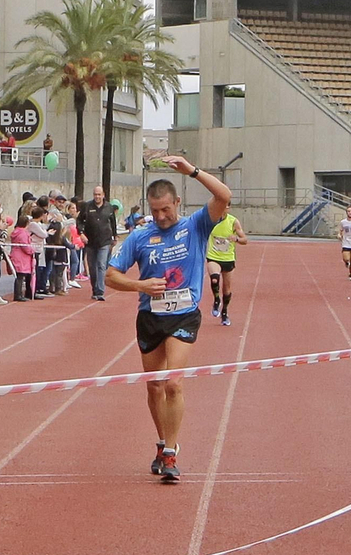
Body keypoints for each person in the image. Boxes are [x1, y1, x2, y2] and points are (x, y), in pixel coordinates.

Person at [105, 156, 233, 484]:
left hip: (184, 315)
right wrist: (139, 285)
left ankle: (173, 452)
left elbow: (224, 196)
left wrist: (192, 170)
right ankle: (162, 443)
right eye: (155, 211)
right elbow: (110, 276)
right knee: (154, 387)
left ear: (177, 202)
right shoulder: (139, 237)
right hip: (150, 316)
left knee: (174, 382)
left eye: (166, 209)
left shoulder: (195, 226)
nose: (161, 217)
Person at [206, 211, 249, 327]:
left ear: (228, 207)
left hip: (228, 259)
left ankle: (224, 312)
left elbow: (245, 239)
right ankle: (216, 300)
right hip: (213, 256)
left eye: (225, 206)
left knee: (227, 289)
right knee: (214, 279)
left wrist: (236, 239)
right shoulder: (211, 220)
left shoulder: (233, 222)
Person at [78, 186, 117, 301]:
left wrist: (114, 236)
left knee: (101, 265)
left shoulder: (109, 207)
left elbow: (113, 222)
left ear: (103, 195)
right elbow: (79, 221)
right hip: (90, 241)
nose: (97, 197)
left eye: (99, 195)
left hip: (104, 240)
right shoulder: (87, 206)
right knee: (92, 267)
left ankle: (100, 291)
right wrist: (81, 233)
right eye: (95, 194)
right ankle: (95, 289)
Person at [9, 212, 35, 301]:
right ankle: (18, 295)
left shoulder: (16, 232)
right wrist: (32, 251)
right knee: (20, 276)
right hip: (21, 257)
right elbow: (25, 246)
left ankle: (20, 294)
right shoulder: (23, 233)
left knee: (19, 276)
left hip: (17, 255)